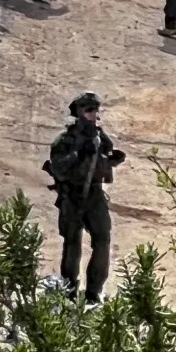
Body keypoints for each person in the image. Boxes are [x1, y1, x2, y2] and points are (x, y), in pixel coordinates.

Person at [45, 91, 126, 303]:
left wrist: (112, 160)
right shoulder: (65, 140)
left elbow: (103, 160)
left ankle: (94, 292)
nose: (92, 114)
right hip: (72, 195)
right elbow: (59, 168)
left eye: (95, 110)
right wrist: (78, 153)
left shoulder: (100, 137)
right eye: (88, 110)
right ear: (79, 112)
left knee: (102, 240)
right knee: (72, 244)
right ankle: (69, 292)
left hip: (94, 194)